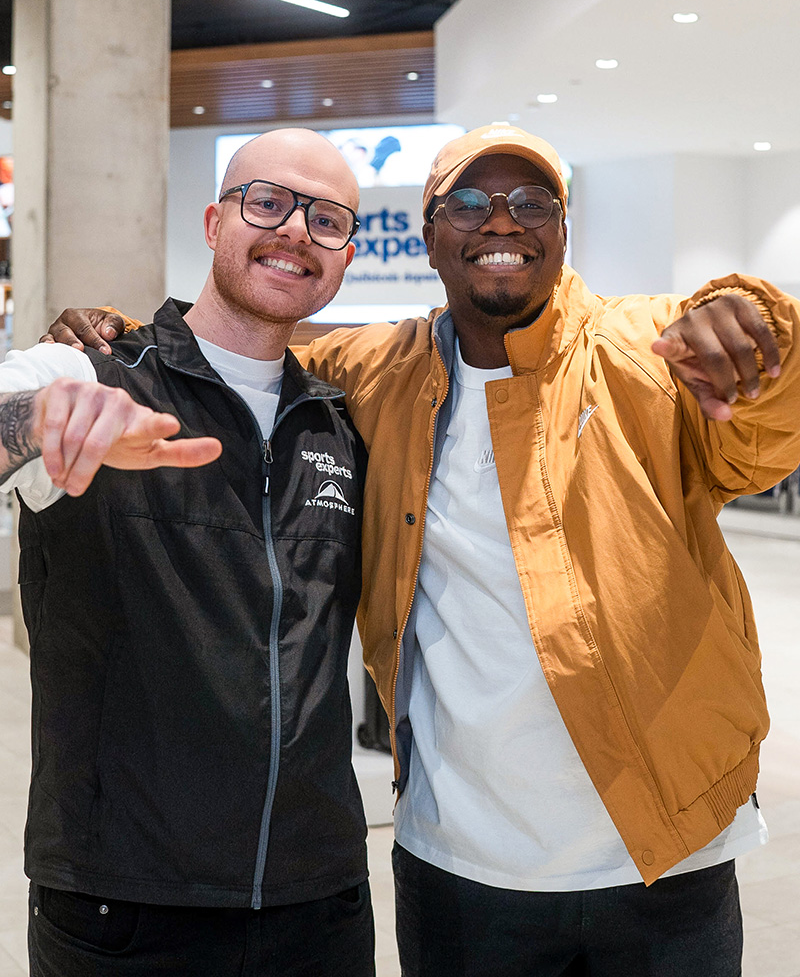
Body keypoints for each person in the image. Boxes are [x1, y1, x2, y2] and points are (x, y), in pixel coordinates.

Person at [46, 123, 800, 976]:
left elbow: (769, 430)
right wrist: (113, 341)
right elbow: (242, 352)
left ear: (564, 231)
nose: (503, 221)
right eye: (470, 202)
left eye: (533, 202)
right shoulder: (378, 371)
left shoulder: (647, 351)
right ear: (430, 237)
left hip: (668, 854)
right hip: (457, 866)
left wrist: (762, 326)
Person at [4, 128, 375, 977]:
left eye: (326, 220)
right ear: (214, 223)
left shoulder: (339, 424)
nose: (295, 231)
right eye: (267, 202)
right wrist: (35, 422)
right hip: (124, 904)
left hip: (318, 900)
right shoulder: (89, 373)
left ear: (345, 257)